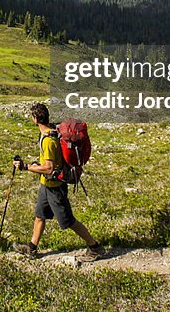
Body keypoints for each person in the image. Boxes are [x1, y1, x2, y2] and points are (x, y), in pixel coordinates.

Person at [13, 103, 104, 262]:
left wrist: (26, 167)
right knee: (40, 215)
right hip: (46, 185)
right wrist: (35, 165)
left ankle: (95, 247)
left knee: (69, 221)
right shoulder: (50, 133)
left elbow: (49, 168)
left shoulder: (48, 140)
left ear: (35, 119)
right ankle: (32, 248)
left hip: (55, 187)